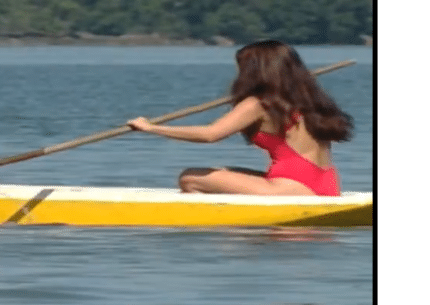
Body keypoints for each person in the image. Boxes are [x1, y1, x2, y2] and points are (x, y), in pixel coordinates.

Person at [126, 40, 353, 196]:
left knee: (190, 178)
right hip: (326, 184)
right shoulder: (308, 99)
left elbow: (210, 135)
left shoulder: (258, 104)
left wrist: (151, 128)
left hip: (289, 187)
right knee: (223, 170)